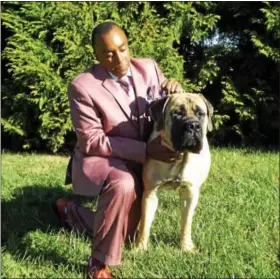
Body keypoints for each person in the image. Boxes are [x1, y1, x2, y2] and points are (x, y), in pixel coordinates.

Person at [54, 21, 183, 279]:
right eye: (108, 54)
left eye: (122, 48)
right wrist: (147, 151)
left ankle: (72, 213)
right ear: (96, 56)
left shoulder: (149, 68)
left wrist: (174, 88)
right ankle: (97, 264)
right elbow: (92, 140)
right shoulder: (82, 86)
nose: (119, 58)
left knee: (128, 235)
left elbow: (163, 108)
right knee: (123, 182)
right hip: (102, 159)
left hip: (138, 158)